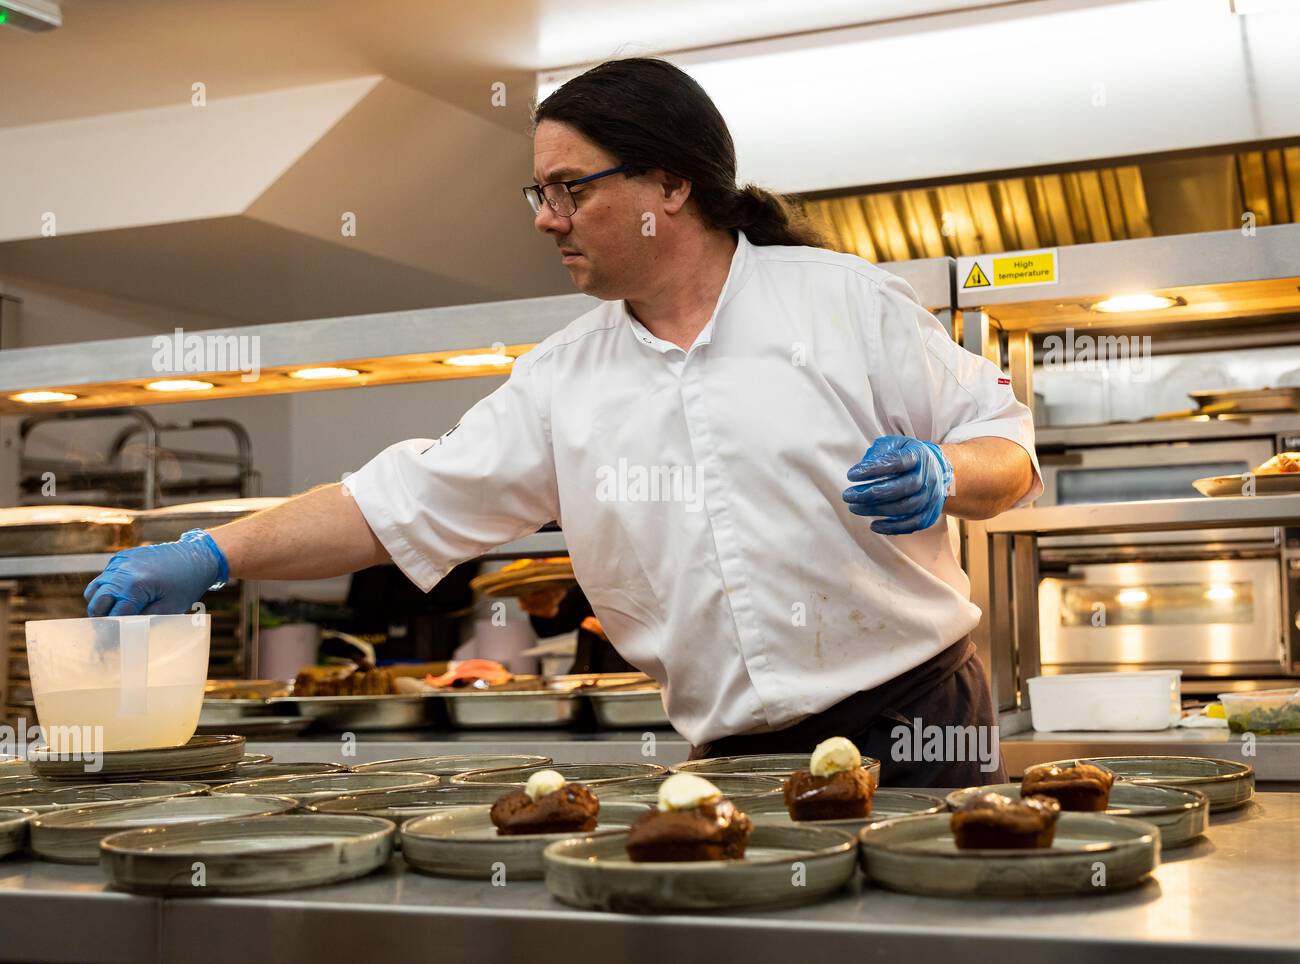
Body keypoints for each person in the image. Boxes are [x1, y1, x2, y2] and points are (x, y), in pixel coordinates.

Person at [83, 58, 1041, 787]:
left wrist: (948, 470)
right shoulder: (562, 380)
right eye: (541, 193)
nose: (548, 218)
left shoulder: (842, 303)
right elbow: (393, 505)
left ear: (671, 186)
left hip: (918, 722)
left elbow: (1008, 447)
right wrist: (213, 553)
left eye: (571, 188)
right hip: (732, 756)